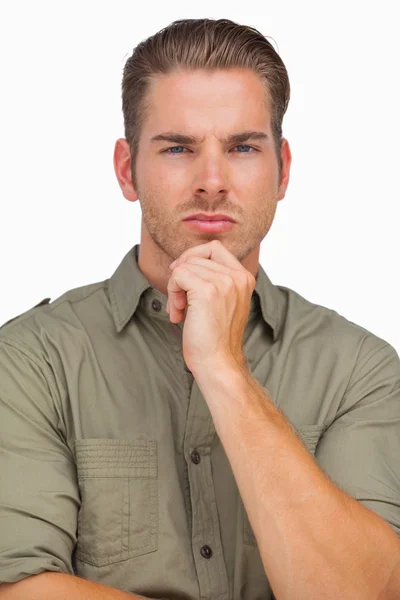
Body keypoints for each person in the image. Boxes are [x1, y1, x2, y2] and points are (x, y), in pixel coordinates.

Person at [0, 17, 399, 600]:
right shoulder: (32, 360)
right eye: (178, 148)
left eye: (242, 147)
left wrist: (226, 372)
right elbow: (21, 589)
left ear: (282, 169)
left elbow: (364, 593)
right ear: (125, 169)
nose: (212, 182)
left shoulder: (359, 370)